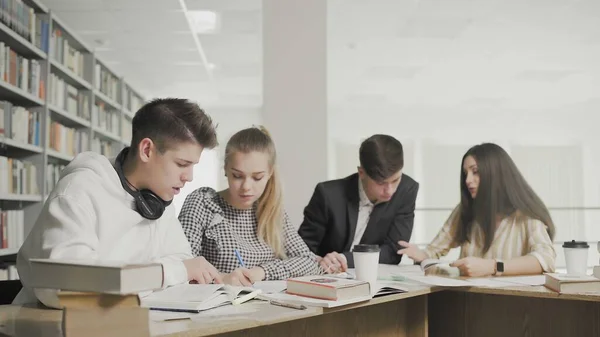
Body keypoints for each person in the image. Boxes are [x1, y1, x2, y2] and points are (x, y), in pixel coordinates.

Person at [14, 98, 223, 308]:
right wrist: (169, 272)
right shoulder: (79, 190)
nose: (189, 177)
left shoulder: (158, 201)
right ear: (147, 150)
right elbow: (67, 285)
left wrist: (160, 274)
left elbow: (182, 259)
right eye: (181, 164)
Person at [179, 126, 321, 286]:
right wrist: (222, 278)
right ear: (225, 169)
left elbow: (310, 262)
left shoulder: (272, 210)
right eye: (237, 176)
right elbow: (182, 266)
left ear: (270, 174)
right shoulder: (203, 203)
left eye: (257, 177)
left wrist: (262, 272)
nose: (246, 186)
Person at [398, 143, 556, 277]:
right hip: (468, 302)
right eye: (465, 174)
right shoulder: (464, 211)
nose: (467, 180)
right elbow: (434, 251)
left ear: (496, 174)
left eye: (476, 172)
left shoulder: (526, 217)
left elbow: (545, 259)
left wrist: (493, 267)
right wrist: (422, 255)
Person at [298, 134, 419, 273]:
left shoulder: (407, 189)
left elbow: (393, 252)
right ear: (361, 173)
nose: (390, 191)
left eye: (395, 180)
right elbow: (302, 249)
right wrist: (321, 261)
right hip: (326, 276)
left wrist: (344, 259)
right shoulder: (328, 194)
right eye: (381, 183)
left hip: (376, 278)